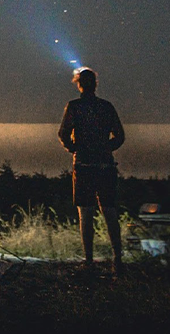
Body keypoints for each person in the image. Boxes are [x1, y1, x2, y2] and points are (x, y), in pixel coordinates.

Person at [58, 67, 125, 275]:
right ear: (95, 84)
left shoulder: (74, 107)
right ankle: (118, 259)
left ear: (79, 84)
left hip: (84, 166)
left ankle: (88, 261)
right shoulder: (106, 107)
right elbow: (120, 136)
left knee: (85, 212)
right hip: (105, 165)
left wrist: (74, 148)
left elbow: (63, 133)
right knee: (110, 210)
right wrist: (106, 148)